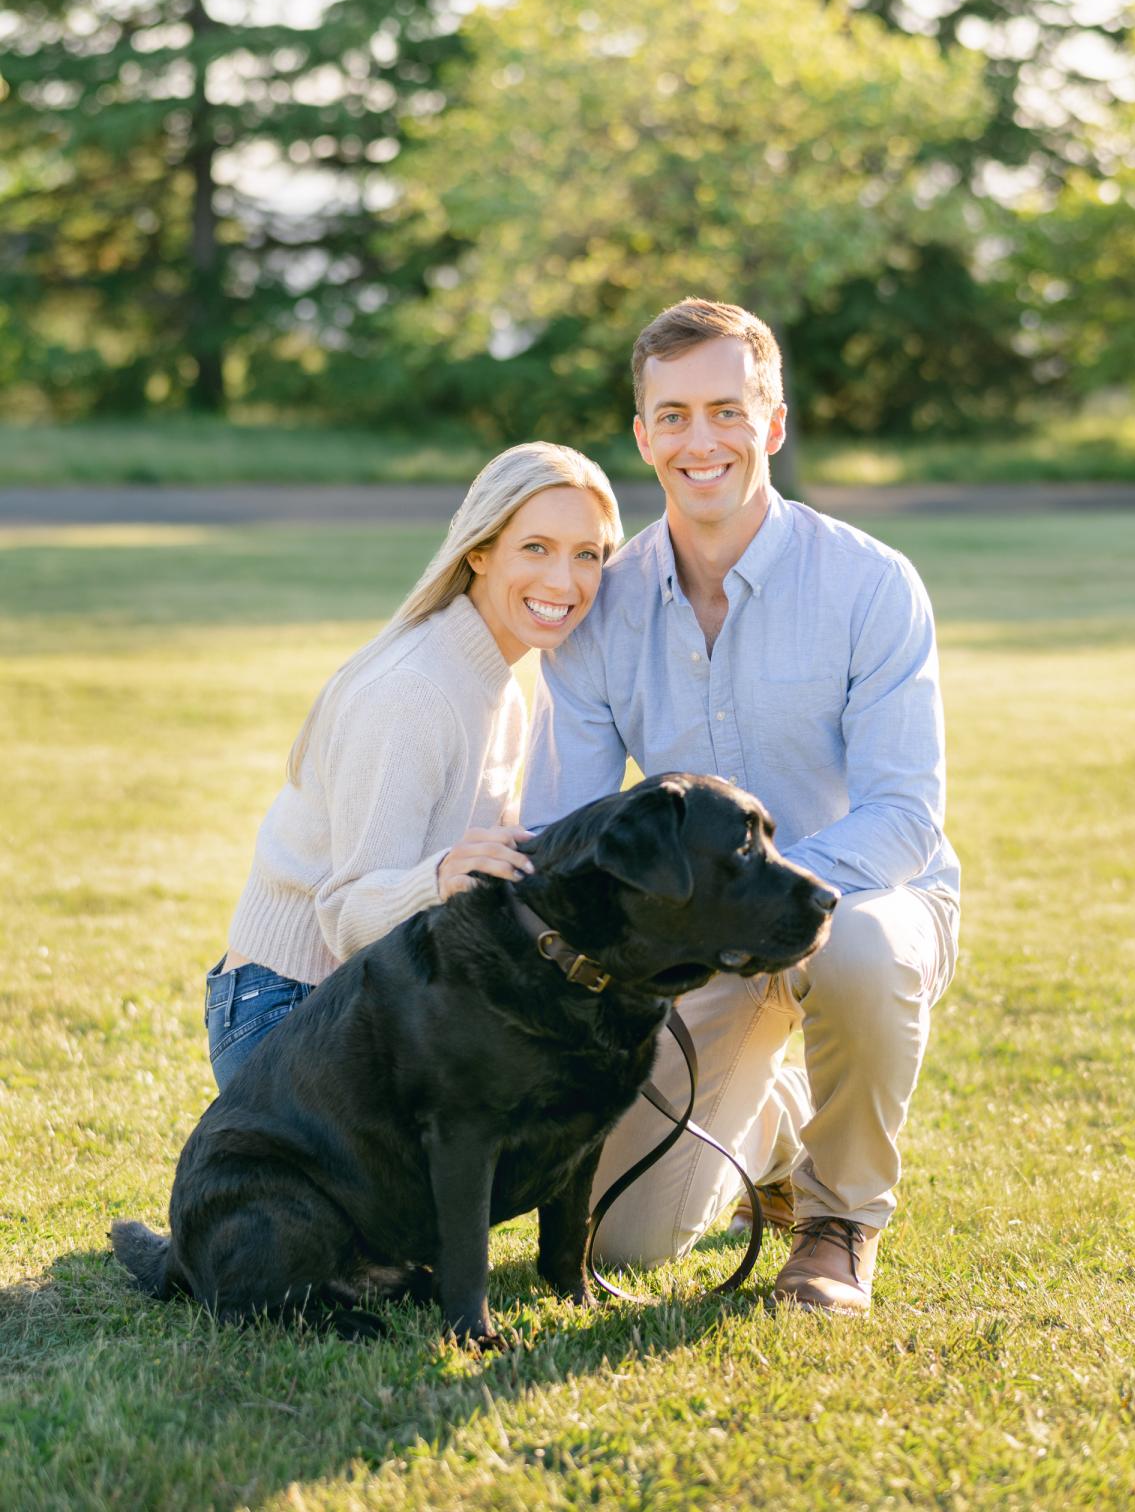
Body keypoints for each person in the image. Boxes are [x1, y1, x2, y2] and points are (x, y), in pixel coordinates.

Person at [521, 300, 960, 1313]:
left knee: (854, 951)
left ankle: (840, 1221)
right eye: (671, 415)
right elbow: (574, 828)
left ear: (772, 423)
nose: (699, 439)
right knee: (630, 1240)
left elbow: (903, 820)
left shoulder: (870, 584)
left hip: (864, 901)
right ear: (642, 435)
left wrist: (768, 913)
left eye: (726, 408)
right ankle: (769, 1131)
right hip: (699, 939)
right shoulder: (604, 607)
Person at [204, 442, 622, 1091]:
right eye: (535, 548)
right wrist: (442, 878)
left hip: (385, 993)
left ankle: (770, 1130)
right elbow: (346, 918)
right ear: (478, 552)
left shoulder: (495, 682)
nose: (563, 582)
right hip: (291, 1012)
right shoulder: (415, 693)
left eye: (586, 554)